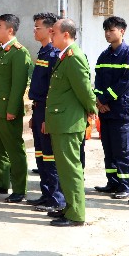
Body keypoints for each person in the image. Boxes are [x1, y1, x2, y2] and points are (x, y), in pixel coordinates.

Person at [44, 18, 97, 227]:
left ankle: (76, 214)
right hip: (62, 121)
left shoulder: (74, 57)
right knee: (64, 169)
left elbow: (84, 89)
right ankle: (69, 206)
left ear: (66, 35)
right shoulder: (65, 56)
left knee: (70, 168)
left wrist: (92, 109)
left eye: (54, 33)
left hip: (68, 122)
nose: (51, 36)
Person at [0, 14, 32, 202]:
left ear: (10, 30)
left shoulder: (19, 53)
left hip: (7, 109)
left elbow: (18, 85)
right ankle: (1, 183)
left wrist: (12, 109)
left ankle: (19, 189)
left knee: (14, 149)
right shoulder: (0, 51)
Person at [92, 16, 129, 200]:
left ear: (122, 31)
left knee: (123, 150)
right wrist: (98, 100)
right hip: (105, 111)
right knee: (109, 148)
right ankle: (112, 182)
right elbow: (98, 81)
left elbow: (126, 82)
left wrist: (105, 99)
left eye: (111, 30)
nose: (108, 34)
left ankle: (127, 185)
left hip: (121, 110)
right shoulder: (103, 55)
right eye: (106, 30)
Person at [24, 12, 65, 211]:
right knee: (40, 156)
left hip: (48, 112)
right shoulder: (43, 52)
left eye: (37, 27)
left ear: (50, 30)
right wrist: (35, 114)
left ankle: (57, 199)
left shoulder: (53, 54)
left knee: (50, 156)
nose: (34, 30)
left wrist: (47, 117)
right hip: (39, 110)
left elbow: (52, 90)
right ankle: (46, 193)